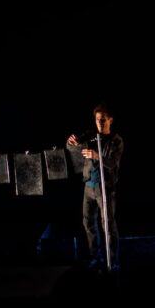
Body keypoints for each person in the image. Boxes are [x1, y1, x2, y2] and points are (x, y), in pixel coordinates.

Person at [66, 103, 124, 270]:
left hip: (105, 188)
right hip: (89, 186)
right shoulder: (90, 136)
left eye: (103, 119)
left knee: (108, 225)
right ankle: (95, 256)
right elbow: (72, 147)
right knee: (88, 223)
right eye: (98, 119)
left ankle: (113, 261)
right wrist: (71, 142)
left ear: (110, 120)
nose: (100, 122)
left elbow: (113, 163)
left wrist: (97, 156)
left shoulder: (116, 140)